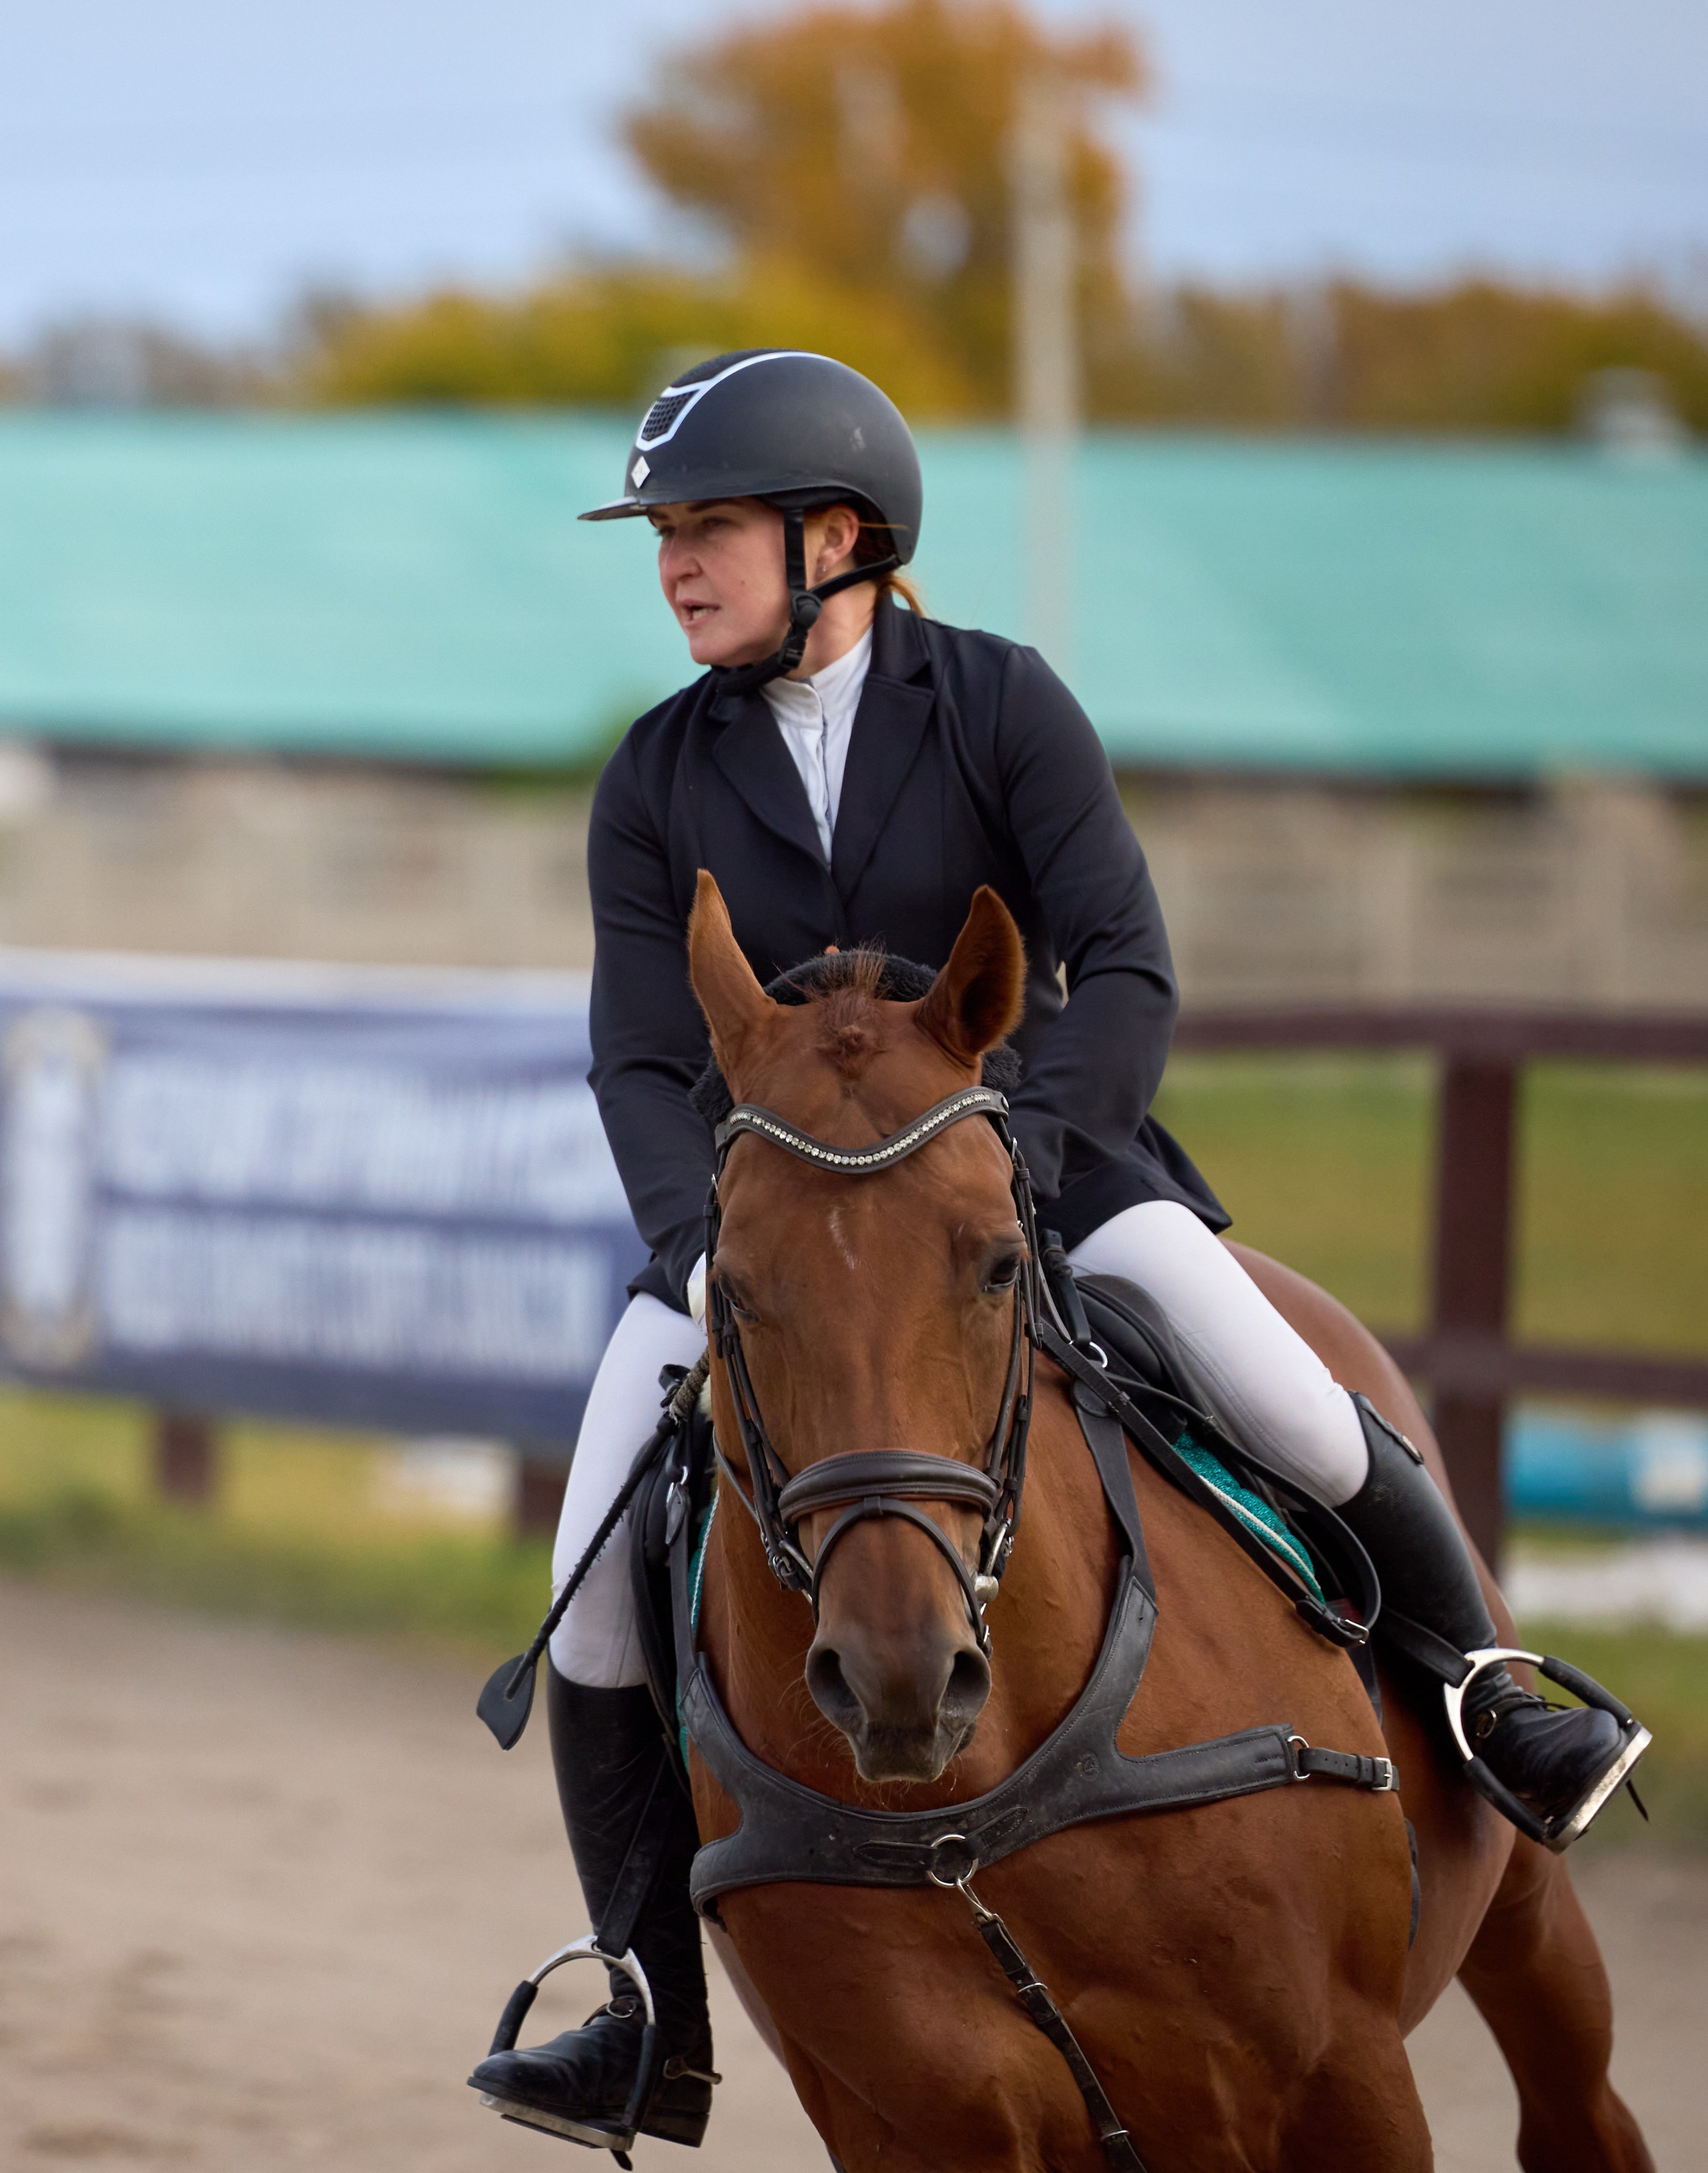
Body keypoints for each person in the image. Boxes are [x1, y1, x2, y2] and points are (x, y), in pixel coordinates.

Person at [470, 349, 1647, 2150]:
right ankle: (645, 2003)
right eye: (664, 535)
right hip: (773, 1227)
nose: (675, 564)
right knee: (595, 1580)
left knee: (1284, 1390)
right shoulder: (654, 774)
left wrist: (1010, 1161)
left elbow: (1126, 965)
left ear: (838, 536)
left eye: (708, 527)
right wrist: (704, 1242)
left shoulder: (1002, 704)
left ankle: (1488, 1698)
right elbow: (640, 1055)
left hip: (1037, 1169)